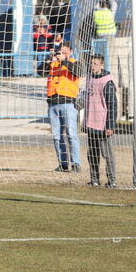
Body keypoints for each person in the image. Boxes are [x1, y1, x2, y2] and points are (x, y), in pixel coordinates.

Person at [80, 54, 117, 188]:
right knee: (92, 153)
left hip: (103, 125)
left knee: (107, 154)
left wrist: (110, 125)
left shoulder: (108, 82)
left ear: (102, 65)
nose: (92, 66)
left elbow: (112, 105)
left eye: (95, 64)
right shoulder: (89, 78)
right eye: (91, 63)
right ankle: (94, 179)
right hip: (91, 124)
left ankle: (112, 181)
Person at [47, 41, 81, 173]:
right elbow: (39, 71)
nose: (62, 54)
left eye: (65, 52)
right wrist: (49, 58)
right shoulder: (53, 64)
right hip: (53, 103)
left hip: (68, 103)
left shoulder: (74, 62)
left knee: (71, 134)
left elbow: (78, 72)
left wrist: (64, 61)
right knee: (57, 136)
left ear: (70, 52)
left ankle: (76, 163)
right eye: (61, 52)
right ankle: (63, 164)